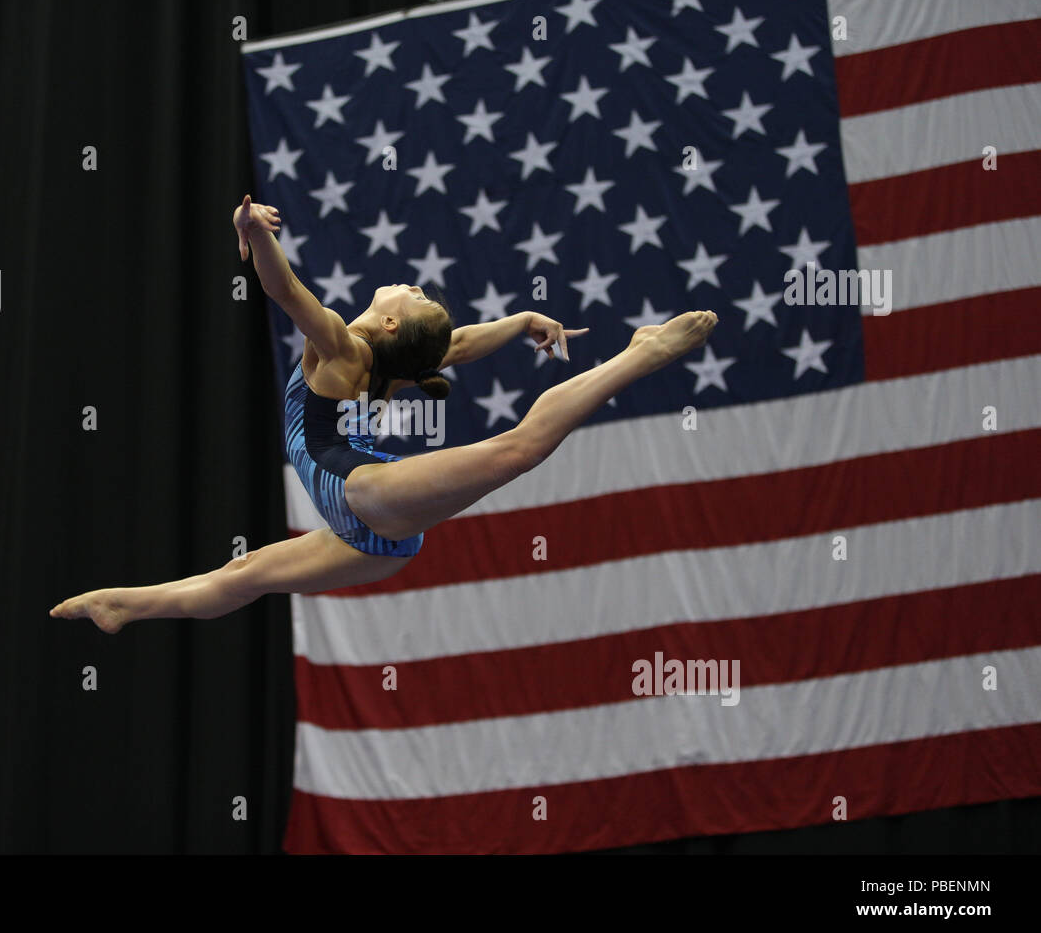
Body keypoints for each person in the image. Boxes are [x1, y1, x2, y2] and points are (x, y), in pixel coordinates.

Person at [50, 195, 716, 632]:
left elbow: (285, 290)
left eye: (415, 293)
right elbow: (454, 344)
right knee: (243, 576)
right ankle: (122, 605)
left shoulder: (340, 346)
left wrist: (251, 234)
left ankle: (641, 354)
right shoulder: (384, 361)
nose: (412, 284)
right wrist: (521, 321)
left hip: (365, 499)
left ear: (390, 317)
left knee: (519, 447)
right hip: (374, 536)